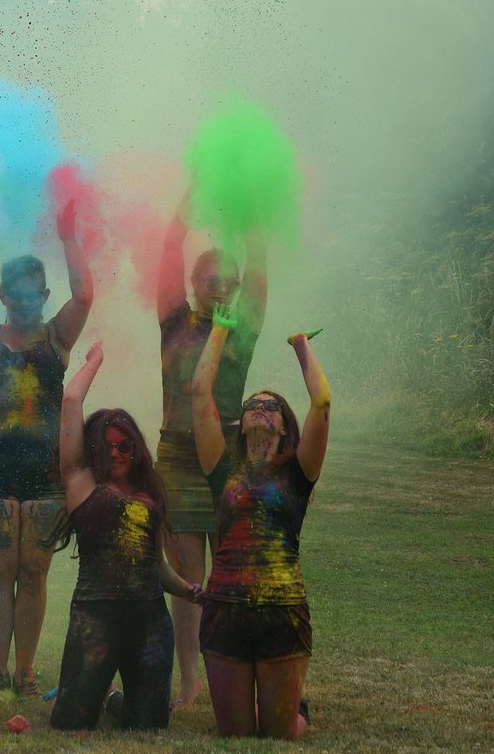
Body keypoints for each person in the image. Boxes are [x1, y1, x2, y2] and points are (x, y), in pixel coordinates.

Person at [0, 200, 92, 696]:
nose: (23, 303)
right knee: (1, 571)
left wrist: (68, 237)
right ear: (3, 295)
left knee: (33, 573)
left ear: (44, 293)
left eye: (32, 295)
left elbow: (85, 294)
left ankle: (26, 670)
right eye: (14, 296)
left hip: (44, 476)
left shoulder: (56, 338)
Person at [47, 341, 202, 730]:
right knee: (71, 724)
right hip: (94, 618)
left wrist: (185, 588)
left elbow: (155, 564)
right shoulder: (81, 482)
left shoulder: (150, 496)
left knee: (149, 724)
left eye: (125, 446)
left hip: (149, 622)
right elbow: (69, 400)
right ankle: (92, 695)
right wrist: (95, 360)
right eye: (107, 445)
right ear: (93, 448)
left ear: (136, 450)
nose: (115, 453)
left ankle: (114, 699)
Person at [192, 307, 330, 739]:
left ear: (286, 425)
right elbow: (199, 392)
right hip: (225, 612)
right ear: (242, 420)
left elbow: (322, 402)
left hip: (282, 612)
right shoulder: (222, 469)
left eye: (272, 407)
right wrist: (219, 330)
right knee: (236, 738)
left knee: (281, 737)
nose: (261, 410)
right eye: (254, 405)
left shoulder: (299, 471)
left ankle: (297, 709)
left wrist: (301, 345)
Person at [154, 194, 267, 709]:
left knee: (231, 571)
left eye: (230, 281)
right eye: (211, 280)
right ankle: (189, 683)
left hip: (227, 460)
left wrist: (252, 223)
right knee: (186, 579)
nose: (221, 287)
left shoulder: (240, 331)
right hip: (177, 458)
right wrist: (190, 195)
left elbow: (260, 275)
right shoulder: (176, 323)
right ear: (195, 285)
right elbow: (168, 253)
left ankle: (231, 672)